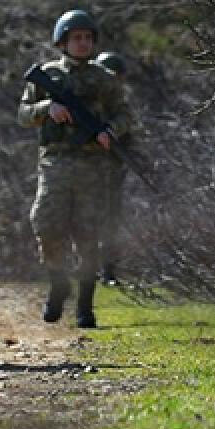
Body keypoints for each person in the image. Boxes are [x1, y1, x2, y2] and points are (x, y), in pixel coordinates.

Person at [17, 10, 134, 328]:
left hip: (93, 165)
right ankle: (58, 283)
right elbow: (23, 113)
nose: (82, 43)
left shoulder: (104, 79)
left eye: (87, 38)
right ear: (63, 41)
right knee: (46, 224)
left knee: (88, 234)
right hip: (55, 162)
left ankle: (85, 304)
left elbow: (124, 114)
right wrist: (47, 109)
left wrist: (110, 131)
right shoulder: (48, 75)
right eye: (75, 38)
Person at [93, 51, 129, 286]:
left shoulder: (120, 107)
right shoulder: (90, 103)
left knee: (111, 220)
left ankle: (108, 270)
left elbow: (129, 133)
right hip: (86, 169)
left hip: (112, 169)